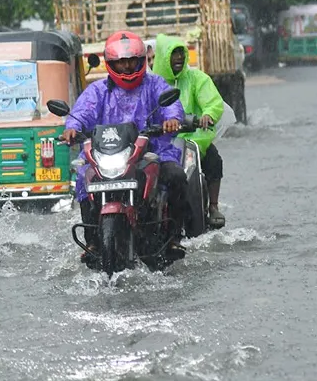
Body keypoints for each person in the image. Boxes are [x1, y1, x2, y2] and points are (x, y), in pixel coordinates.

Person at [60, 31, 188, 261]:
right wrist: (72, 127)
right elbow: (81, 113)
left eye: (132, 61)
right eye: (121, 62)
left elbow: (171, 104)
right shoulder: (98, 90)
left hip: (152, 151)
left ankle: (175, 236)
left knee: (176, 175)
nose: (127, 67)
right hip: (107, 155)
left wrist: (171, 120)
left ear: (141, 61)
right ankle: (92, 241)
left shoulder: (155, 84)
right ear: (111, 64)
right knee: (83, 177)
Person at [152, 33, 226, 227]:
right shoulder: (150, 83)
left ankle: (213, 207)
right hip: (160, 141)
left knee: (214, 159)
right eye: (173, 53)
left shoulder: (196, 78)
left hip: (192, 138)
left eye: (181, 52)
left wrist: (207, 116)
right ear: (163, 57)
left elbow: (212, 102)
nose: (179, 57)